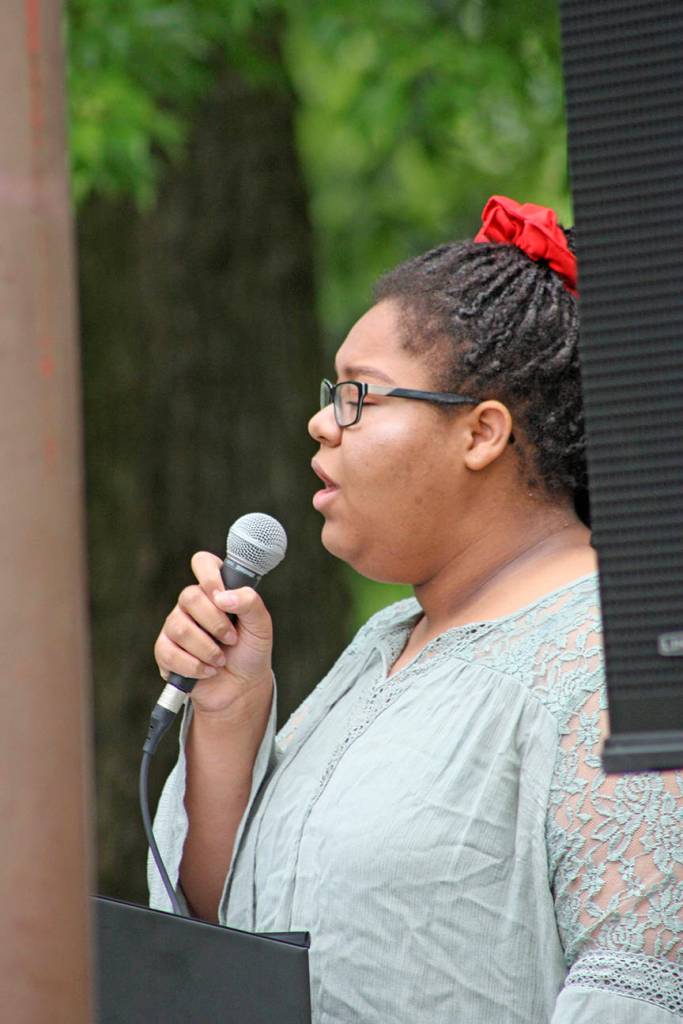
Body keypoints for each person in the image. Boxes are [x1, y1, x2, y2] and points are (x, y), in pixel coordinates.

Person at [149, 196, 683, 1023]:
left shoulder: (611, 662)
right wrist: (227, 715)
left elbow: (636, 996)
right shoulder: (384, 643)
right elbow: (237, 941)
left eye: (358, 396)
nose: (321, 423)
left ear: (481, 433)